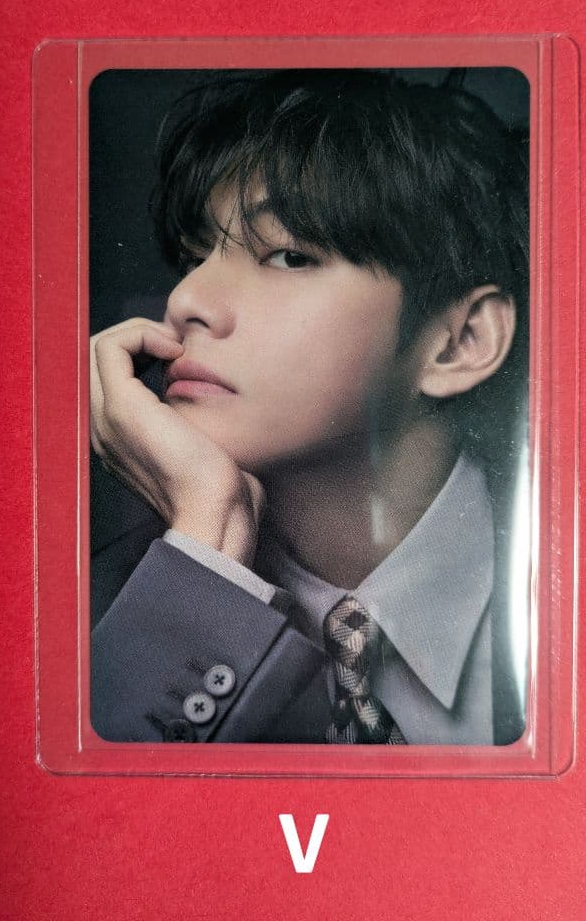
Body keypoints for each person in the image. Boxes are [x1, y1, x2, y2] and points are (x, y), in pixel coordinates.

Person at [89, 69, 529, 745]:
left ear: (460, 341)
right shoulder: (98, 617)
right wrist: (207, 544)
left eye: (289, 257)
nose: (185, 301)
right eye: (195, 255)